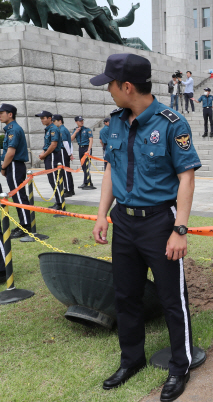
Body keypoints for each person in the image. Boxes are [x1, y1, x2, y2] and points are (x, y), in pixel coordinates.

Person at [90, 53, 201, 402]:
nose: (106, 90)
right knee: (126, 295)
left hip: (158, 223)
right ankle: (131, 359)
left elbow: (186, 177)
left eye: (109, 84)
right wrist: (101, 214)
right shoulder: (116, 123)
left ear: (127, 86)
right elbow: (110, 170)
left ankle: (180, 365)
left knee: (172, 299)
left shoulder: (171, 123)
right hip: (124, 222)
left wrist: (179, 229)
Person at [0, 103, 31, 238]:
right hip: (14, 165)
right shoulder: (10, 129)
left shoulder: (13, 129)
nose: (0, 116)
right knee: (18, 195)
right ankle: (23, 223)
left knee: (18, 196)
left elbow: (10, 153)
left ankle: (25, 226)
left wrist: (3, 167)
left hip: (14, 165)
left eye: (2, 113)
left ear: (10, 114)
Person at [36, 110, 64, 210]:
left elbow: (53, 145)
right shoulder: (49, 129)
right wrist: (43, 154)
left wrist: (44, 155)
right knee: (52, 180)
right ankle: (58, 201)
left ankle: (60, 203)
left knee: (54, 180)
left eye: (43, 118)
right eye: (41, 118)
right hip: (49, 156)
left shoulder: (53, 129)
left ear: (49, 118)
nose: (41, 120)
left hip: (52, 156)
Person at [53, 115, 75, 197]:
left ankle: (69, 190)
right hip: (65, 151)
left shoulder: (61, 130)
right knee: (66, 171)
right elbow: (69, 143)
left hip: (63, 151)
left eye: (54, 121)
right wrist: (70, 153)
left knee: (65, 171)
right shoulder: (63, 129)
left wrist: (69, 154)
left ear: (60, 121)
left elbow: (65, 143)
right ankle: (69, 188)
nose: (53, 122)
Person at [72, 116, 94, 189]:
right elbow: (71, 139)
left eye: (82, 120)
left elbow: (91, 140)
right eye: (80, 121)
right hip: (80, 148)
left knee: (86, 166)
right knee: (83, 166)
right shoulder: (75, 130)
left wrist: (89, 149)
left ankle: (86, 182)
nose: (81, 122)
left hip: (86, 148)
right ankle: (88, 181)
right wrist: (76, 132)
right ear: (76, 122)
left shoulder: (87, 130)